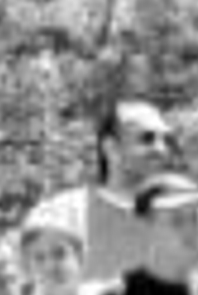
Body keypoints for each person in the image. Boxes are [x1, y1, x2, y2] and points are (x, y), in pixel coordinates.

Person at [36, 99, 176, 282]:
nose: (161, 149)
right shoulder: (65, 214)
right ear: (111, 148)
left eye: (166, 140)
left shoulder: (185, 216)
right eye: (147, 138)